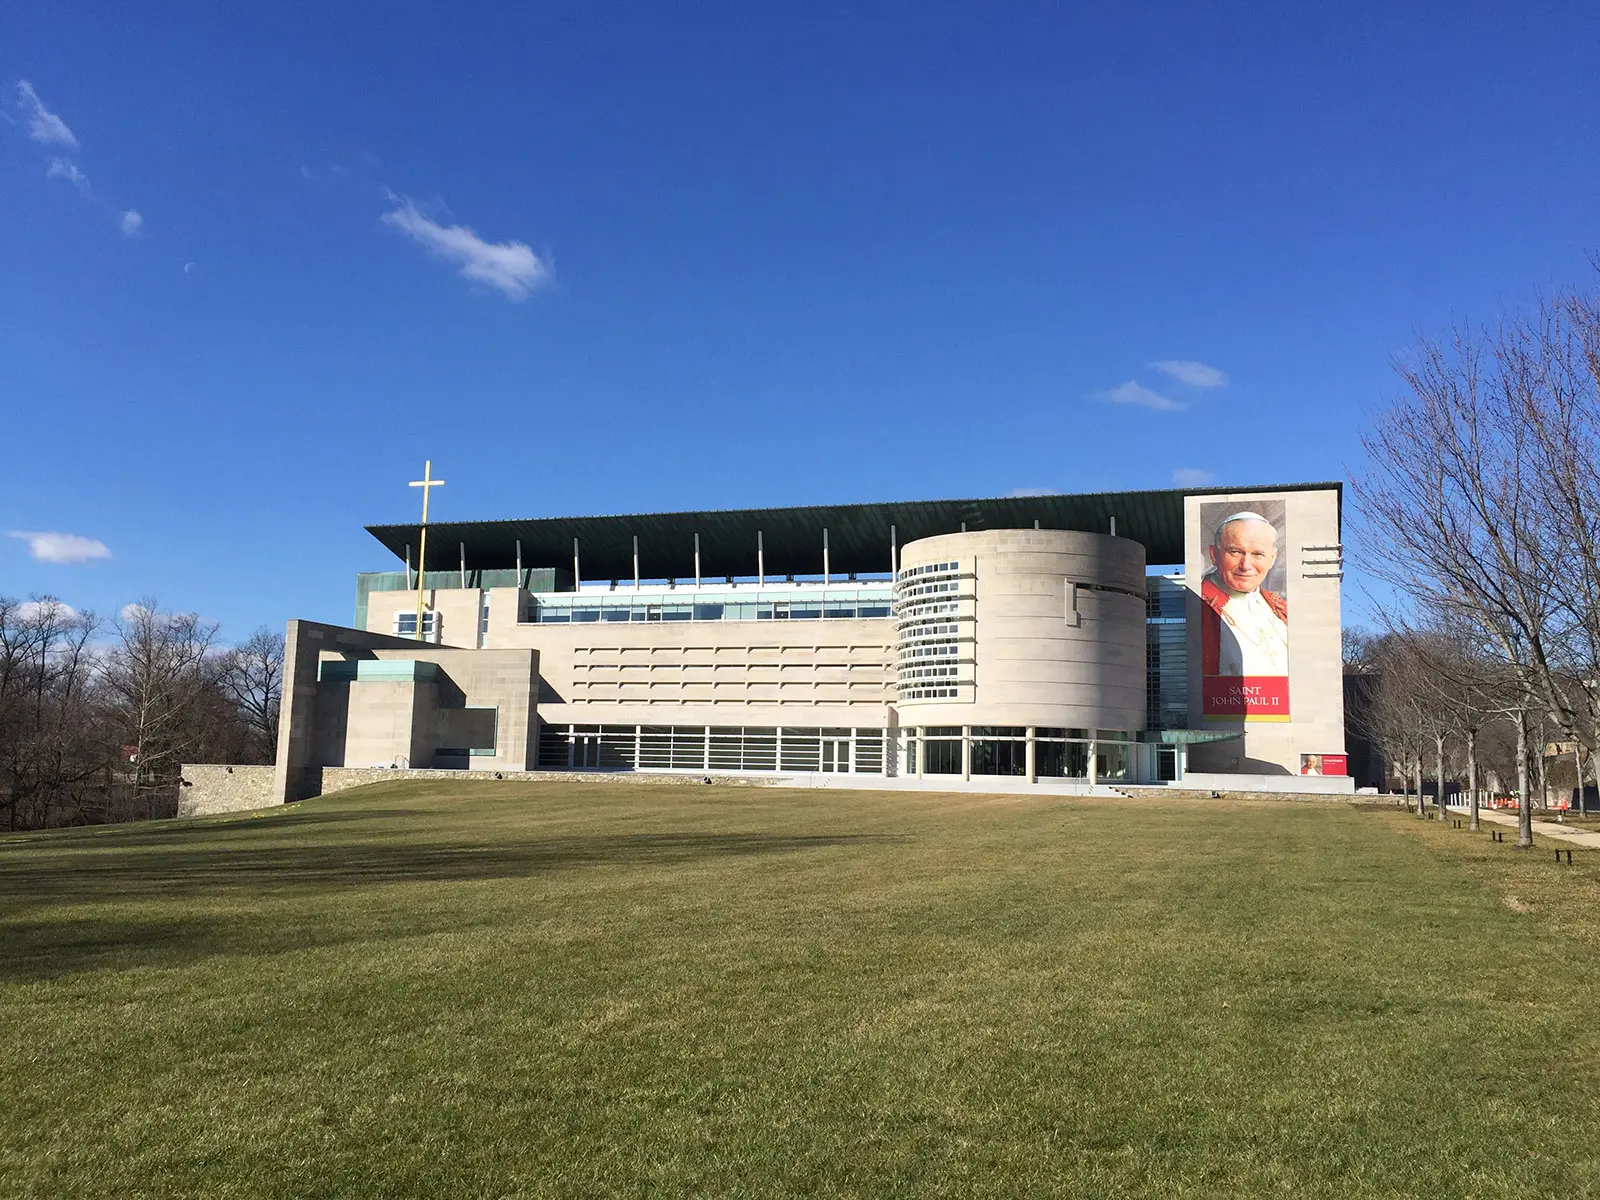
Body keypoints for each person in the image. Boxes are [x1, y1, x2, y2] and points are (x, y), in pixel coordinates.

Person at [1201, 511, 1288, 677]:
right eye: (1235, 552)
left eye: (1257, 554)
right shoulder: (1199, 605)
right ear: (1214, 554)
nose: (1246, 565)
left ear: (1272, 558)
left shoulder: (1280, 608)